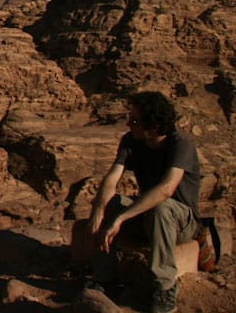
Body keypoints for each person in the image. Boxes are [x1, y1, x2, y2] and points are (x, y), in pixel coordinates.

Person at [86, 91, 201, 313]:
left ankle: (165, 288)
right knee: (112, 201)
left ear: (155, 126)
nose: (129, 124)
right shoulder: (131, 141)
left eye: (135, 120)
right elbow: (112, 178)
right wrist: (99, 210)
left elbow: (166, 190)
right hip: (148, 216)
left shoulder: (181, 144)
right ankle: (105, 279)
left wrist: (121, 218)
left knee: (160, 208)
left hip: (181, 221)